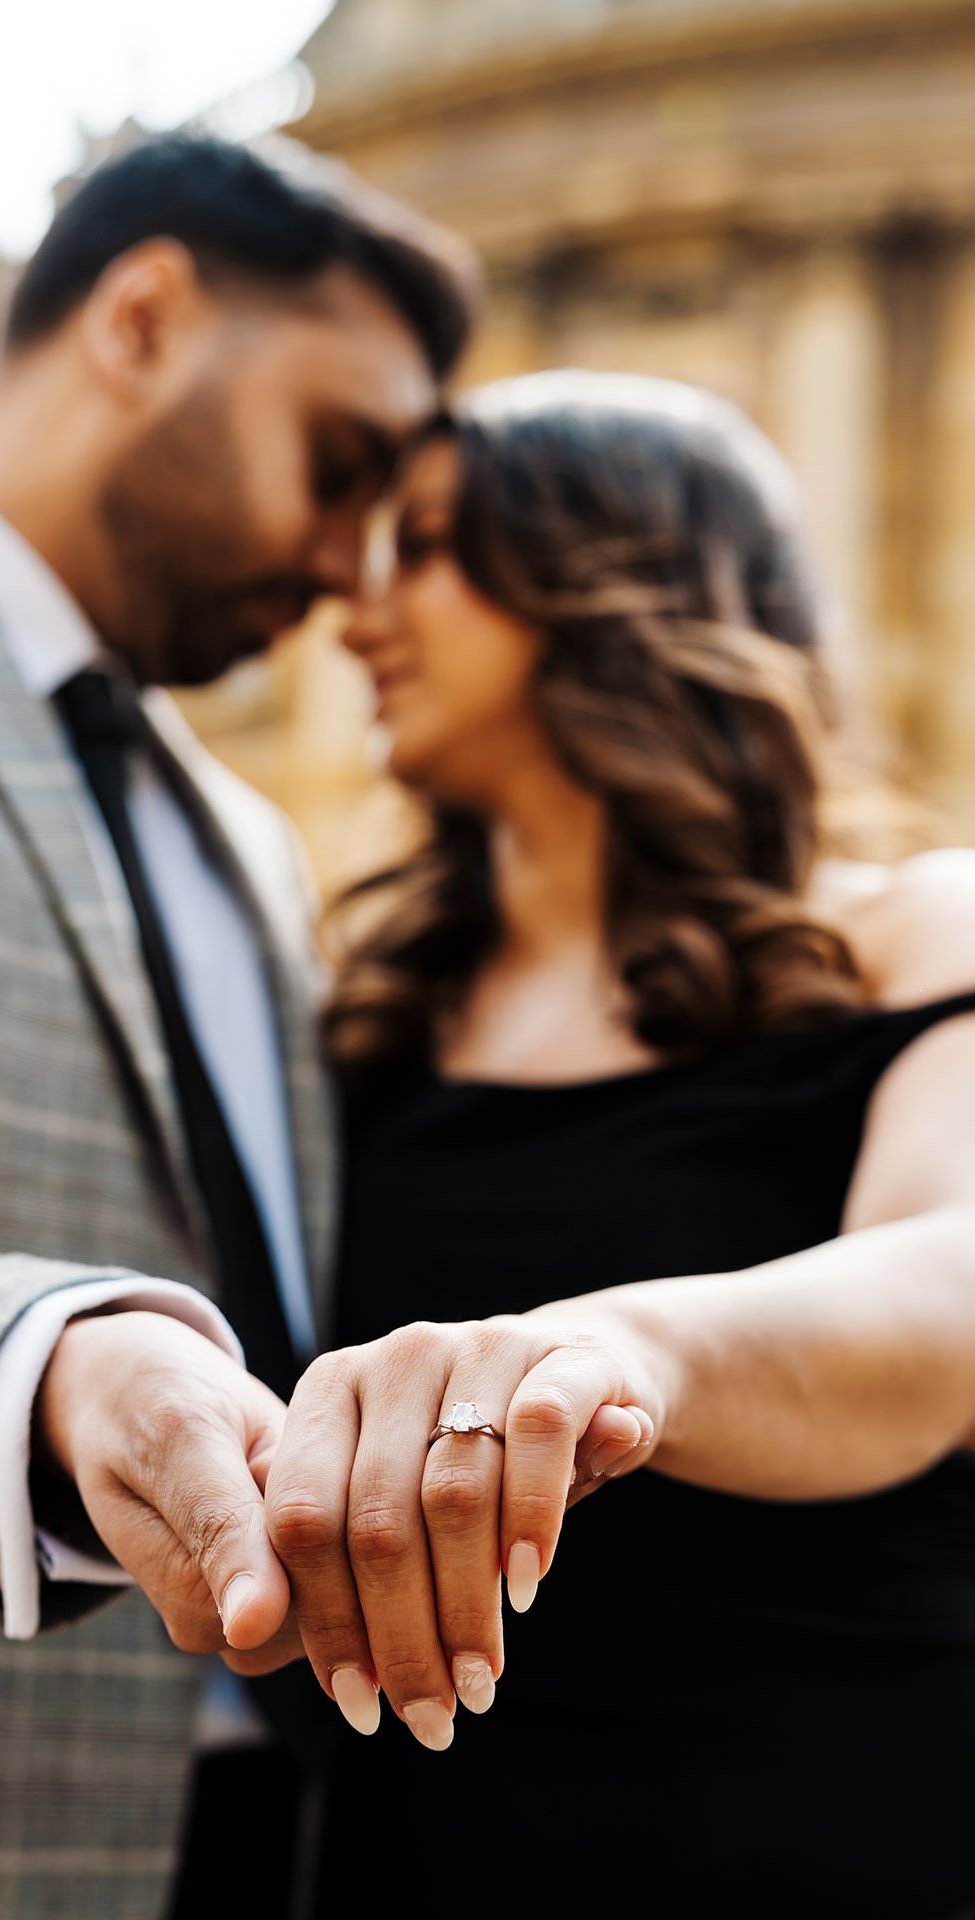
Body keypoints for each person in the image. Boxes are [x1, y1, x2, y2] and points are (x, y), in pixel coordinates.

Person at [0, 132, 477, 1920]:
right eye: (339, 461)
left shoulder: (246, 838)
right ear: (142, 320)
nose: (355, 566)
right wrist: (46, 1365)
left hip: (277, 1833)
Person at [261, 372, 975, 1918]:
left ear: (611, 575)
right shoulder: (364, 1018)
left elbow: (953, 1291)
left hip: (836, 1828)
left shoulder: (916, 931)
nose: (359, 619)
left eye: (427, 548)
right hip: (421, 1851)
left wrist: (618, 1354)